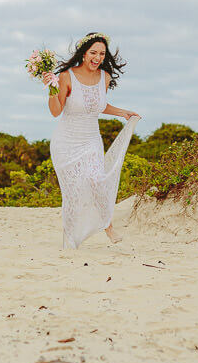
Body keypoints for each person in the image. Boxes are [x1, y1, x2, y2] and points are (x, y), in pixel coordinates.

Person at [42, 32, 140, 248]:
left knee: (97, 180)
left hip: (91, 140)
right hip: (66, 142)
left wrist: (123, 113)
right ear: (83, 54)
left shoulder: (105, 77)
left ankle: (108, 227)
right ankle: (70, 237)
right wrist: (51, 89)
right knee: (74, 193)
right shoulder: (66, 76)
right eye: (93, 52)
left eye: (102, 54)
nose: (97, 57)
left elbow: (97, 104)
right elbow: (56, 111)